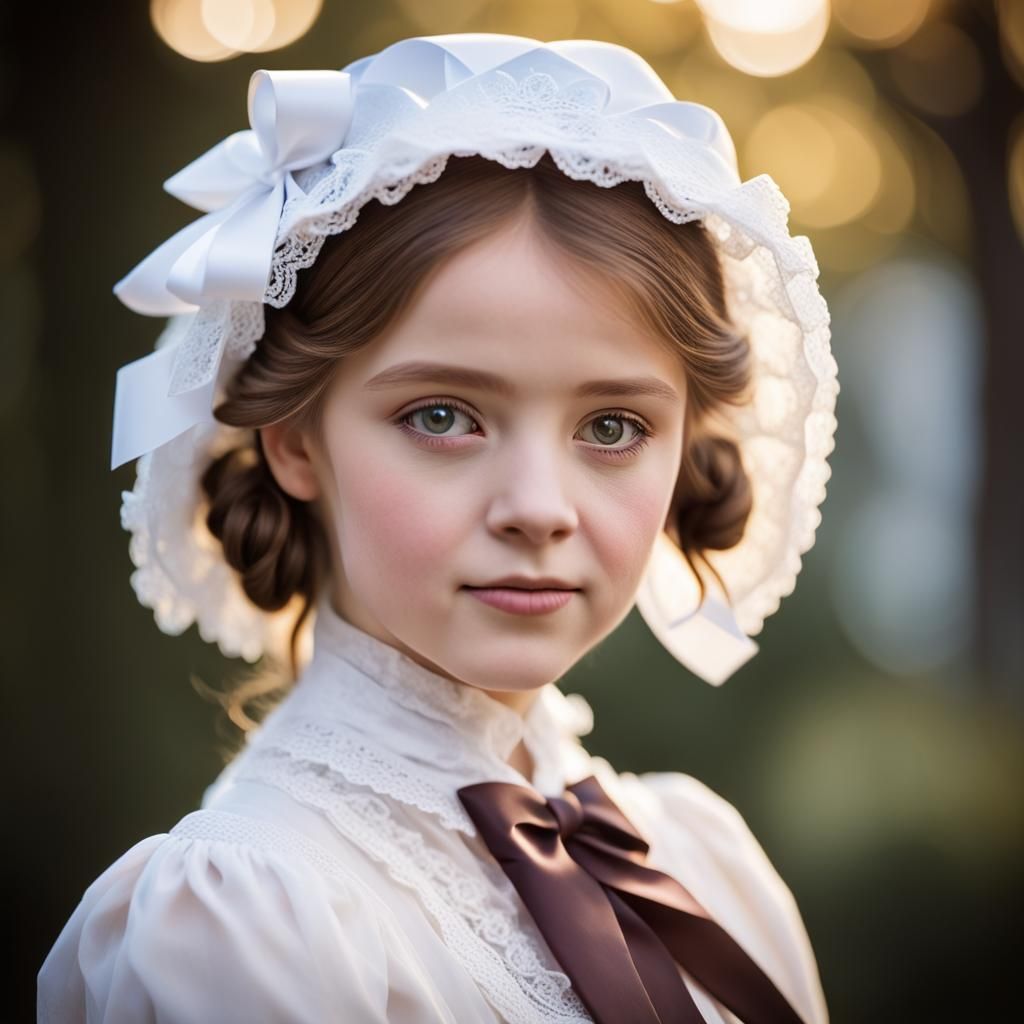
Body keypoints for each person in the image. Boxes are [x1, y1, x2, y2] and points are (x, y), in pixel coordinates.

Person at [38, 33, 837, 1024]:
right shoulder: (243, 920)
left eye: (611, 426)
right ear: (292, 440)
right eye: (443, 416)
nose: (538, 507)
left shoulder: (704, 864)